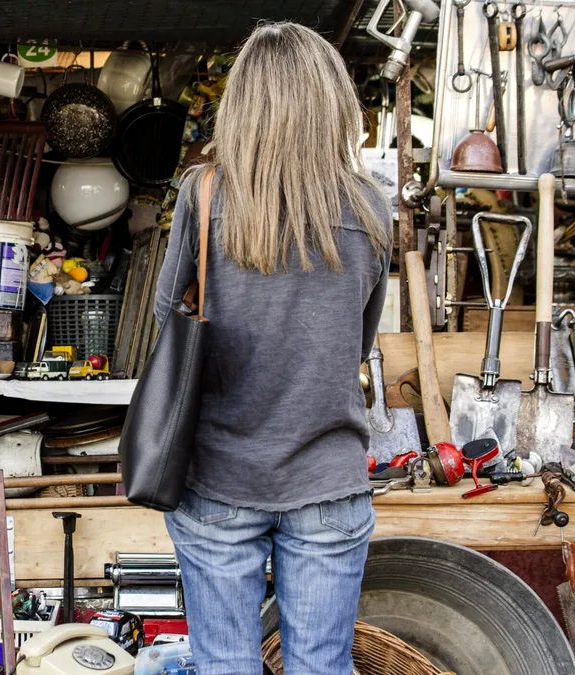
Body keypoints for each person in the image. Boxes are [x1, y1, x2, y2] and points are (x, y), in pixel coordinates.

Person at [152, 22, 392, 675]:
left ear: (244, 102)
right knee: (321, 665)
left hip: (219, 474)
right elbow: (358, 339)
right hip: (327, 476)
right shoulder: (371, 208)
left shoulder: (203, 196)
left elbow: (165, 324)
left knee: (225, 664)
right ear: (332, 102)